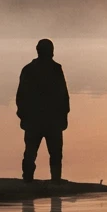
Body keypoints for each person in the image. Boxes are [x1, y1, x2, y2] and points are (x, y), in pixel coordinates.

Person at [17, 38, 70, 182]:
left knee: (32, 152)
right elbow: (64, 95)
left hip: (37, 119)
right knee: (53, 153)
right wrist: (64, 116)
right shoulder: (54, 69)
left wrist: (23, 116)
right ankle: (55, 181)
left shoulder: (29, 69)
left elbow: (21, 96)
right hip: (49, 120)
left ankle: (28, 180)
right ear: (51, 52)